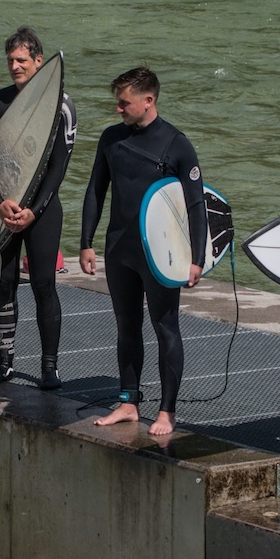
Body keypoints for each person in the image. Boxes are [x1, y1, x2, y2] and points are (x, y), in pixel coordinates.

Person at [79, 67, 204, 437]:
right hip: (120, 248)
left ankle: (167, 411)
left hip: (161, 256)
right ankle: (129, 402)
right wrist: (86, 242)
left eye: (124, 103)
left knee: (165, 327)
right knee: (126, 326)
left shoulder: (176, 144)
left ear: (148, 100)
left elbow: (196, 205)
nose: (118, 109)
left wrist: (196, 258)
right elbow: (95, 190)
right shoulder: (111, 139)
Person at [0, 27, 76, 389]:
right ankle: (4, 362)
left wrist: (34, 209)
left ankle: (49, 367)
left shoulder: (62, 106)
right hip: (4, 209)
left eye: (21, 60)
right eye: (10, 61)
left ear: (39, 61)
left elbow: (58, 167)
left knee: (44, 285)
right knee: (4, 284)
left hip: (42, 210)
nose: (15, 66)